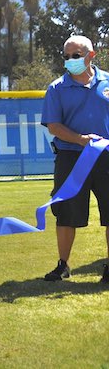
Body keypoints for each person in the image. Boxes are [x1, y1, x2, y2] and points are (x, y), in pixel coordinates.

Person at [40, 35, 109, 284]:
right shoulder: (56, 88)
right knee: (66, 212)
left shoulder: (107, 81)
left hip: (106, 157)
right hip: (71, 158)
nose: (70, 60)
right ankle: (63, 265)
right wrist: (81, 140)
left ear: (92, 56)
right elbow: (54, 126)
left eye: (76, 55)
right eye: (66, 57)